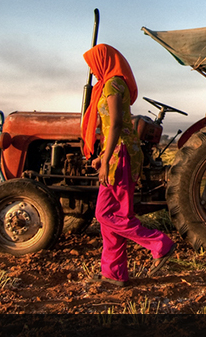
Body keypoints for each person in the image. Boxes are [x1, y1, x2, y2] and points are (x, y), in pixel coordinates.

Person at [81, 44, 175, 287]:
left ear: (103, 61)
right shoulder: (110, 83)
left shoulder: (113, 84)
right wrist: (102, 156)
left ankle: (159, 243)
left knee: (104, 214)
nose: (91, 70)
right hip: (116, 152)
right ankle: (114, 273)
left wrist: (107, 159)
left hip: (120, 154)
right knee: (114, 216)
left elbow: (115, 124)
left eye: (93, 64)